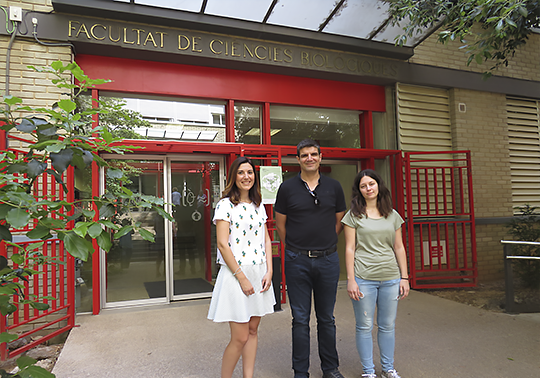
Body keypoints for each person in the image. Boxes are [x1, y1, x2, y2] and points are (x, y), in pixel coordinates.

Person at [275, 138, 347, 378]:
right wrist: (296, 248)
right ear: (297, 159)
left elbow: (340, 220)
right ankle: (301, 371)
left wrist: (325, 242)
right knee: (300, 319)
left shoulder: (334, 187)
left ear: (320, 157)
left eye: (313, 154)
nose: (309, 158)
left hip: (328, 260)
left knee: (326, 318)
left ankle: (330, 369)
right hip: (297, 261)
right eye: (304, 155)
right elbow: (280, 224)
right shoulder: (287, 188)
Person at [207, 156, 275, 378]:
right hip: (236, 274)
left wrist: (270, 271)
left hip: (259, 272)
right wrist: (242, 277)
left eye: (250, 172)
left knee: (253, 331)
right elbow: (222, 244)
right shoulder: (225, 205)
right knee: (240, 337)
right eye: (241, 172)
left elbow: (266, 240)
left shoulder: (258, 205)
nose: (246, 177)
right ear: (233, 177)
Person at [341, 169, 410, 378]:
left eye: (371, 184)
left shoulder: (392, 214)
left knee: (387, 326)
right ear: (359, 190)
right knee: (364, 326)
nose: (368, 189)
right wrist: (351, 280)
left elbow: (399, 247)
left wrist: (404, 277)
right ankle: (368, 372)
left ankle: (388, 369)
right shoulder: (353, 216)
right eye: (363, 186)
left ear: (378, 185)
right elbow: (349, 248)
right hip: (364, 279)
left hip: (390, 278)